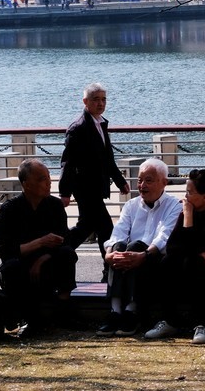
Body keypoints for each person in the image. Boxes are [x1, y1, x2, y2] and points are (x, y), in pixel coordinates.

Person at [144, 168, 205, 345]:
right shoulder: (187, 212)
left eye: (190, 192)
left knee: (195, 263)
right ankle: (169, 321)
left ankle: (203, 323)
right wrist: (188, 220)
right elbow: (173, 247)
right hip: (189, 266)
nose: (186, 196)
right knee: (167, 262)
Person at [96, 157, 182, 336]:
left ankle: (132, 310)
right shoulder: (130, 205)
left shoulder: (174, 205)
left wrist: (144, 255)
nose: (142, 185)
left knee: (135, 245)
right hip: (130, 259)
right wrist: (109, 253)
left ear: (164, 182)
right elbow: (118, 232)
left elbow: (164, 237)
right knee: (118, 246)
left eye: (148, 181)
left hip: (155, 260)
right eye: (140, 180)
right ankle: (115, 311)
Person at [0, 158, 78, 332]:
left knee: (67, 253)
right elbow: (5, 251)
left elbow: (65, 240)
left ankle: (63, 311)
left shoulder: (55, 205)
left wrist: (42, 259)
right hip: (22, 266)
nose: (48, 183)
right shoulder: (9, 209)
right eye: (42, 179)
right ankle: (28, 318)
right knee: (10, 267)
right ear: (26, 184)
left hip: (48, 264)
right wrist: (39, 242)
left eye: (49, 177)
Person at [59, 82, 130, 273]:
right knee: (105, 228)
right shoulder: (78, 128)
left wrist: (120, 181)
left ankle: (58, 252)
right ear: (85, 101)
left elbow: (107, 158)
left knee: (87, 226)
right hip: (85, 188)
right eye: (96, 99)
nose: (101, 103)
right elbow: (67, 162)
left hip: (96, 187)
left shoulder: (100, 123)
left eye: (104, 99)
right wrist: (65, 192)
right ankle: (109, 270)